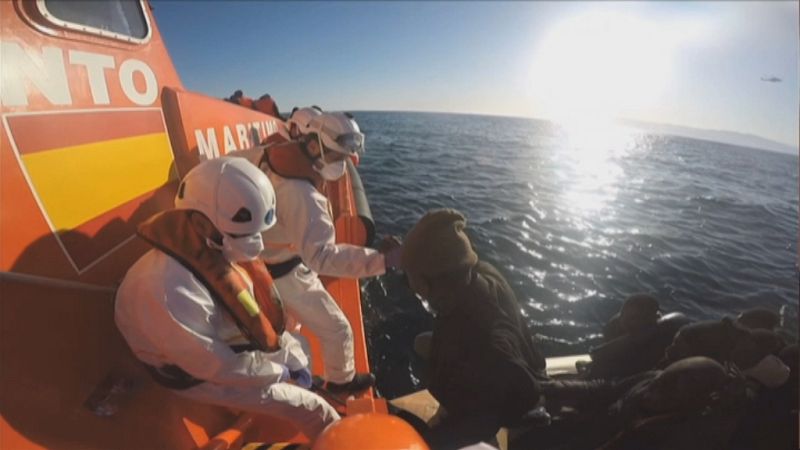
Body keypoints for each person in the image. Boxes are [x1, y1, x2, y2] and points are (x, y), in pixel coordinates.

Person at [114, 157, 339, 439]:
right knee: (313, 408)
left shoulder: (218, 250)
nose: (255, 243)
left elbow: (256, 316)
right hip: (192, 372)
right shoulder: (169, 290)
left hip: (212, 342)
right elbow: (215, 366)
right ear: (200, 222)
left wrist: (292, 360)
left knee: (300, 350)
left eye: (256, 232)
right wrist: (279, 373)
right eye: (243, 234)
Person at [254, 111, 400, 393]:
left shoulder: (266, 155)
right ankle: (341, 383)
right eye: (337, 156)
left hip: (262, 259)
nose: (343, 162)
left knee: (291, 326)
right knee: (338, 329)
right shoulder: (303, 196)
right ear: (312, 145)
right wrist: (383, 260)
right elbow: (322, 257)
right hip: (284, 272)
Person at [400, 209, 547, 449]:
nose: (411, 284)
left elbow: (483, 420)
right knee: (422, 343)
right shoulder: (476, 275)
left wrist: (426, 443)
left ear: (430, 283)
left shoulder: (485, 342)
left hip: (505, 407)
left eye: (412, 277)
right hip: (493, 378)